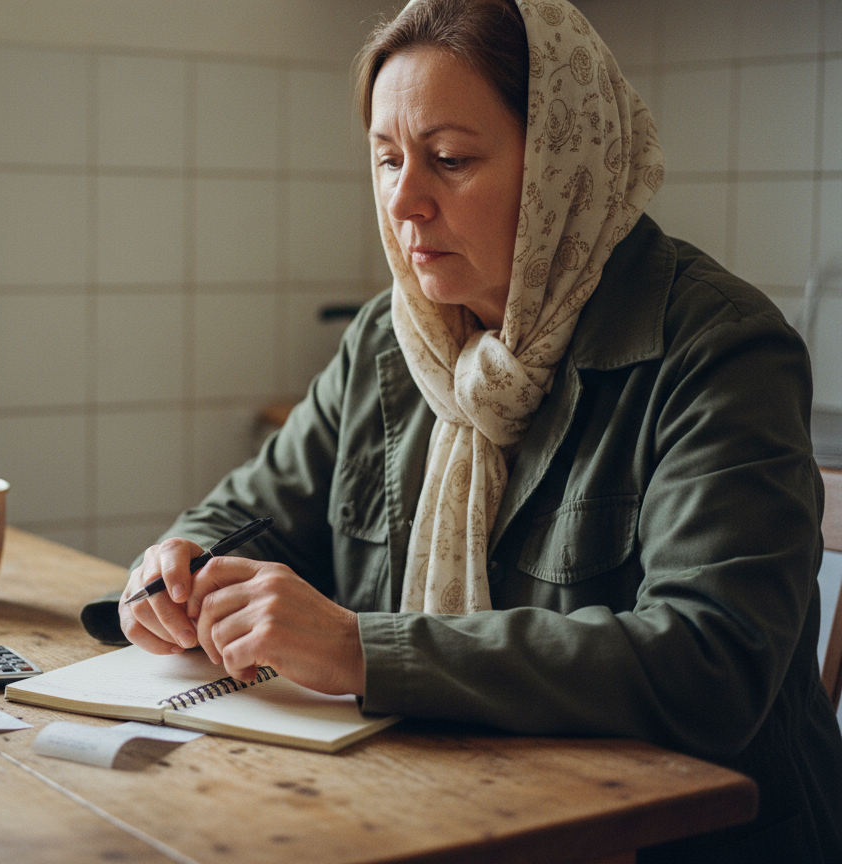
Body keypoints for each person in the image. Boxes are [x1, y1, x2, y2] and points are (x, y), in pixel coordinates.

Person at [82, 1, 842, 860]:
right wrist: (178, 564)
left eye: (449, 159)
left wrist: (361, 650)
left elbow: (713, 663)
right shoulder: (388, 340)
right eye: (386, 159)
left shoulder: (721, 348)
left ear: (565, 164)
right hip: (436, 807)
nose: (405, 200)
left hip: (672, 840)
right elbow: (250, 513)